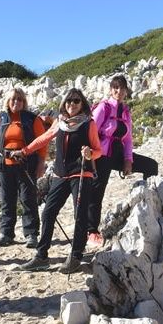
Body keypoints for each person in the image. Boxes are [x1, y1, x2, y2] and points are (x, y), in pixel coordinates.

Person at [17, 88, 102, 274]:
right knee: (48, 212)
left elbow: (98, 150)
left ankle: (76, 256)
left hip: (81, 174)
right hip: (60, 175)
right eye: (69, 101)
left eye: (76, 101)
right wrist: (24, 152)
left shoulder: (89, 124)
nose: (72, 104)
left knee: (79, 215)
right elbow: (43, 138)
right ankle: (41, 256)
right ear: (64, 103)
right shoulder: (60, 122)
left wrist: (90, 154)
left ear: (82, 104)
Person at [85, 75, 159, 249]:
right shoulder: (103, 107)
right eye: (115, 88)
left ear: (126, 91)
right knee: (97, 192)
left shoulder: (125, 112)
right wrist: (92, 158)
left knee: (151, 166)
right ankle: (91, 231)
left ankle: (147, 205)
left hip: (117, 154)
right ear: (111, 90)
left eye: (122, 88)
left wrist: (128, 160)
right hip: (101, 155)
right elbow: (91, 132)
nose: (119, 91)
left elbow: (128, 140)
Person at [0, 86, 47, 248]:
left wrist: (41, 164)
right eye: (13, 99)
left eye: (20, 99)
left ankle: (31, 234)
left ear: (24, 102)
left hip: (26, 165)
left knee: (28, 199)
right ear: (8, 101)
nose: (16, 102)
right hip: (4, 165)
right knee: (7, 200)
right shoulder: (0, 119)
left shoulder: (33, 119)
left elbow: (42, 144)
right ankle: (6, 233)